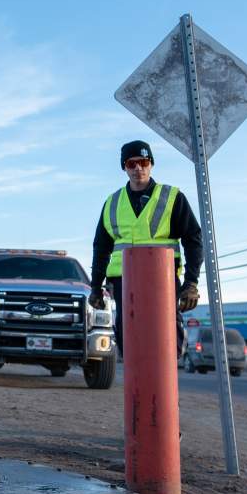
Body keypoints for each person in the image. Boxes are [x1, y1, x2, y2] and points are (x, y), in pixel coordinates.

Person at [88, 140, 203, 356]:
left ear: (151, 164)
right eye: (132, 164)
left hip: (162, 279)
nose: (138, 168)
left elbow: (193, 239)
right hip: (124, 282)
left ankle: (162, 386)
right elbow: (101, 247)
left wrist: (191, 282)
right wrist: (95, 286)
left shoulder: (172, 198)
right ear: (124, 167)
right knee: (129, 340)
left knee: (167, 341)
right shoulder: (113, 203)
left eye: (143, 162)